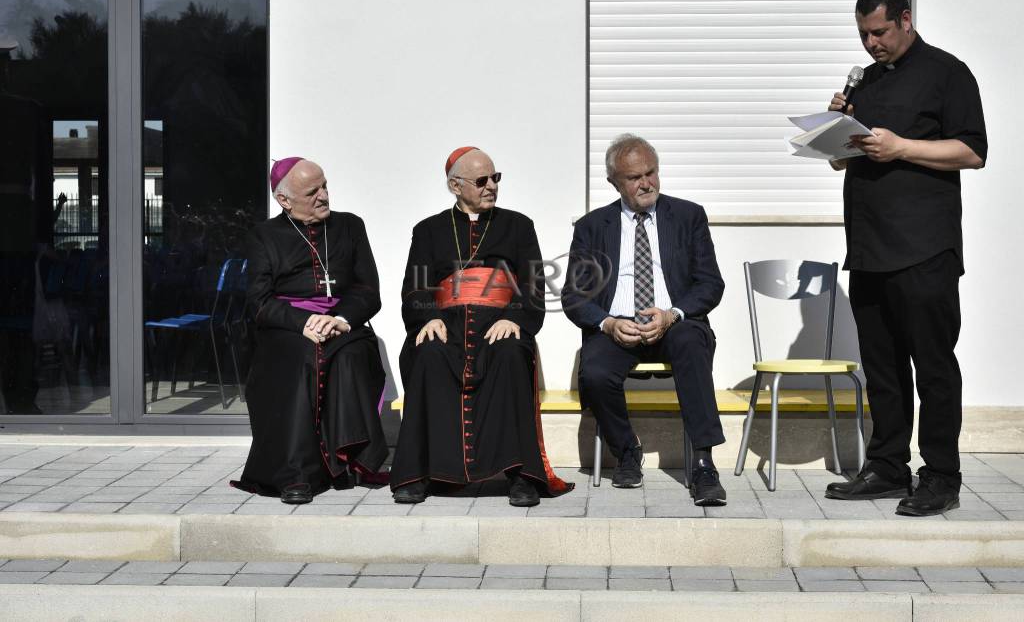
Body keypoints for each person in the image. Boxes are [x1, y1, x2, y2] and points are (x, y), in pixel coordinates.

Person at [823, 0, 987, 517]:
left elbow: (972, 151)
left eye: (880, 32)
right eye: (864, 34)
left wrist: (903, 147)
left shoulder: (948, 72)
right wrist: (835, 136)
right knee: (883, 367)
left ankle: (940, 475)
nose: (872, 44)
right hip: (868, 248)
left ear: (906, 19)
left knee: (934, 366)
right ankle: (888, 466)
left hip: (924, 249)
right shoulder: (865, 82)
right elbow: (845, 163)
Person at [390, 146, 572, 507]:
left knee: (509, 353)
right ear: (456, 186)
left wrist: (515, 317)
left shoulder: (518, 225)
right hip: (447, 324)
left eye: (495, 178)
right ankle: (418, 474)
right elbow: (414, 286)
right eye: (481, 180)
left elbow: (534, 284)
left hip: (498, 323)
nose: (492, 186)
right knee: (427, 353)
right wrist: (428, 318)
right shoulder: (428, 230)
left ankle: (522, 475)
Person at [561, 134, 727, 506]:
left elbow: (710, 284)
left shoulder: (688, 216)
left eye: (651, 173)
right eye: (634, 177)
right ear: (614, 183)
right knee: (596, 371)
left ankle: (702, 463)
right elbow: (574, 296)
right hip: (618, 324)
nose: (646, 183)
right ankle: (626, 450)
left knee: (690, 342)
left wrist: (673, 314)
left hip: (674, 321)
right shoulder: (592, 227)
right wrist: (606, 323)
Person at [231, 157, 388, 504]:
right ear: (284, 200)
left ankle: (353, 462)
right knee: (301, 357)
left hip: (342, 323)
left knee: (351, 353)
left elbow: (368, 291)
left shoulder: (350, 226)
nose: (323, 196)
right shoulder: (264, 236)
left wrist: (342, 318)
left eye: (325, 186)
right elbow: (258, 302)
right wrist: (302, 324)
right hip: (289, 327)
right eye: (312, 191)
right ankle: (295, 473)